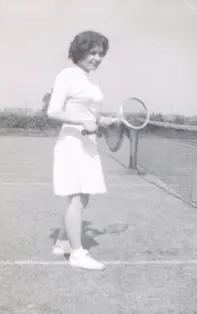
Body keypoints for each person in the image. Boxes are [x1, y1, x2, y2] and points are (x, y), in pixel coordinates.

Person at [46, 30, 117, 270]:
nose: (97, 58)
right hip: (72, 144)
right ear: (79, 52)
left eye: (100, 53)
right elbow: (53, 111)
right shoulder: (68, 75)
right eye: (92, 52)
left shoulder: (91, 79)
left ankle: (62, 243)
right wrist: (79, 121)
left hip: (88, 143)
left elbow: (91, 116)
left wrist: (102, 120)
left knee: (82, 196)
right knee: (77, 197)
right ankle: (77, 254)